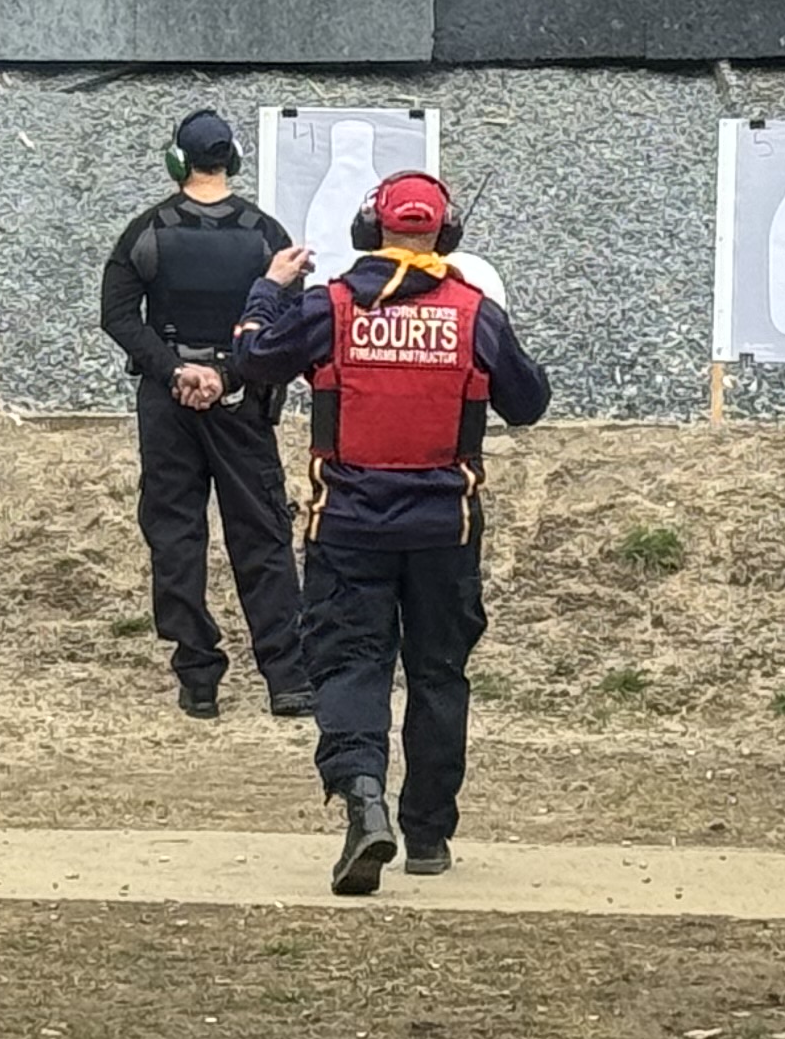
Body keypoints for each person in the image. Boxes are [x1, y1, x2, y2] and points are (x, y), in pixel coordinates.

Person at [235, 167, 552, 894]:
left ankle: (363, 798)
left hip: (347, 526)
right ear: (448, 234)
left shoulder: (330, 305)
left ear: (368, 229)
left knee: (351, 665)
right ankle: (429, 835)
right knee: (439, 675)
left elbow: (252, 358)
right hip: (447, 530)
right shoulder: (474, 313)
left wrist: (267, 292)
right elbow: (529, 404)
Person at [99, 105, 312, 722]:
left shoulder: (146, 231)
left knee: (175, 536)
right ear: (233, 160)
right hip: (243, 404)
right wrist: (228, 377)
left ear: (177, 161)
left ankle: (198, 677)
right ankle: (287, 678)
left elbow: (117, 317)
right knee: (262, 535)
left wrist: (175, 371)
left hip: (168, 405)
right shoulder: (266, 234)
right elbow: (289, 324)